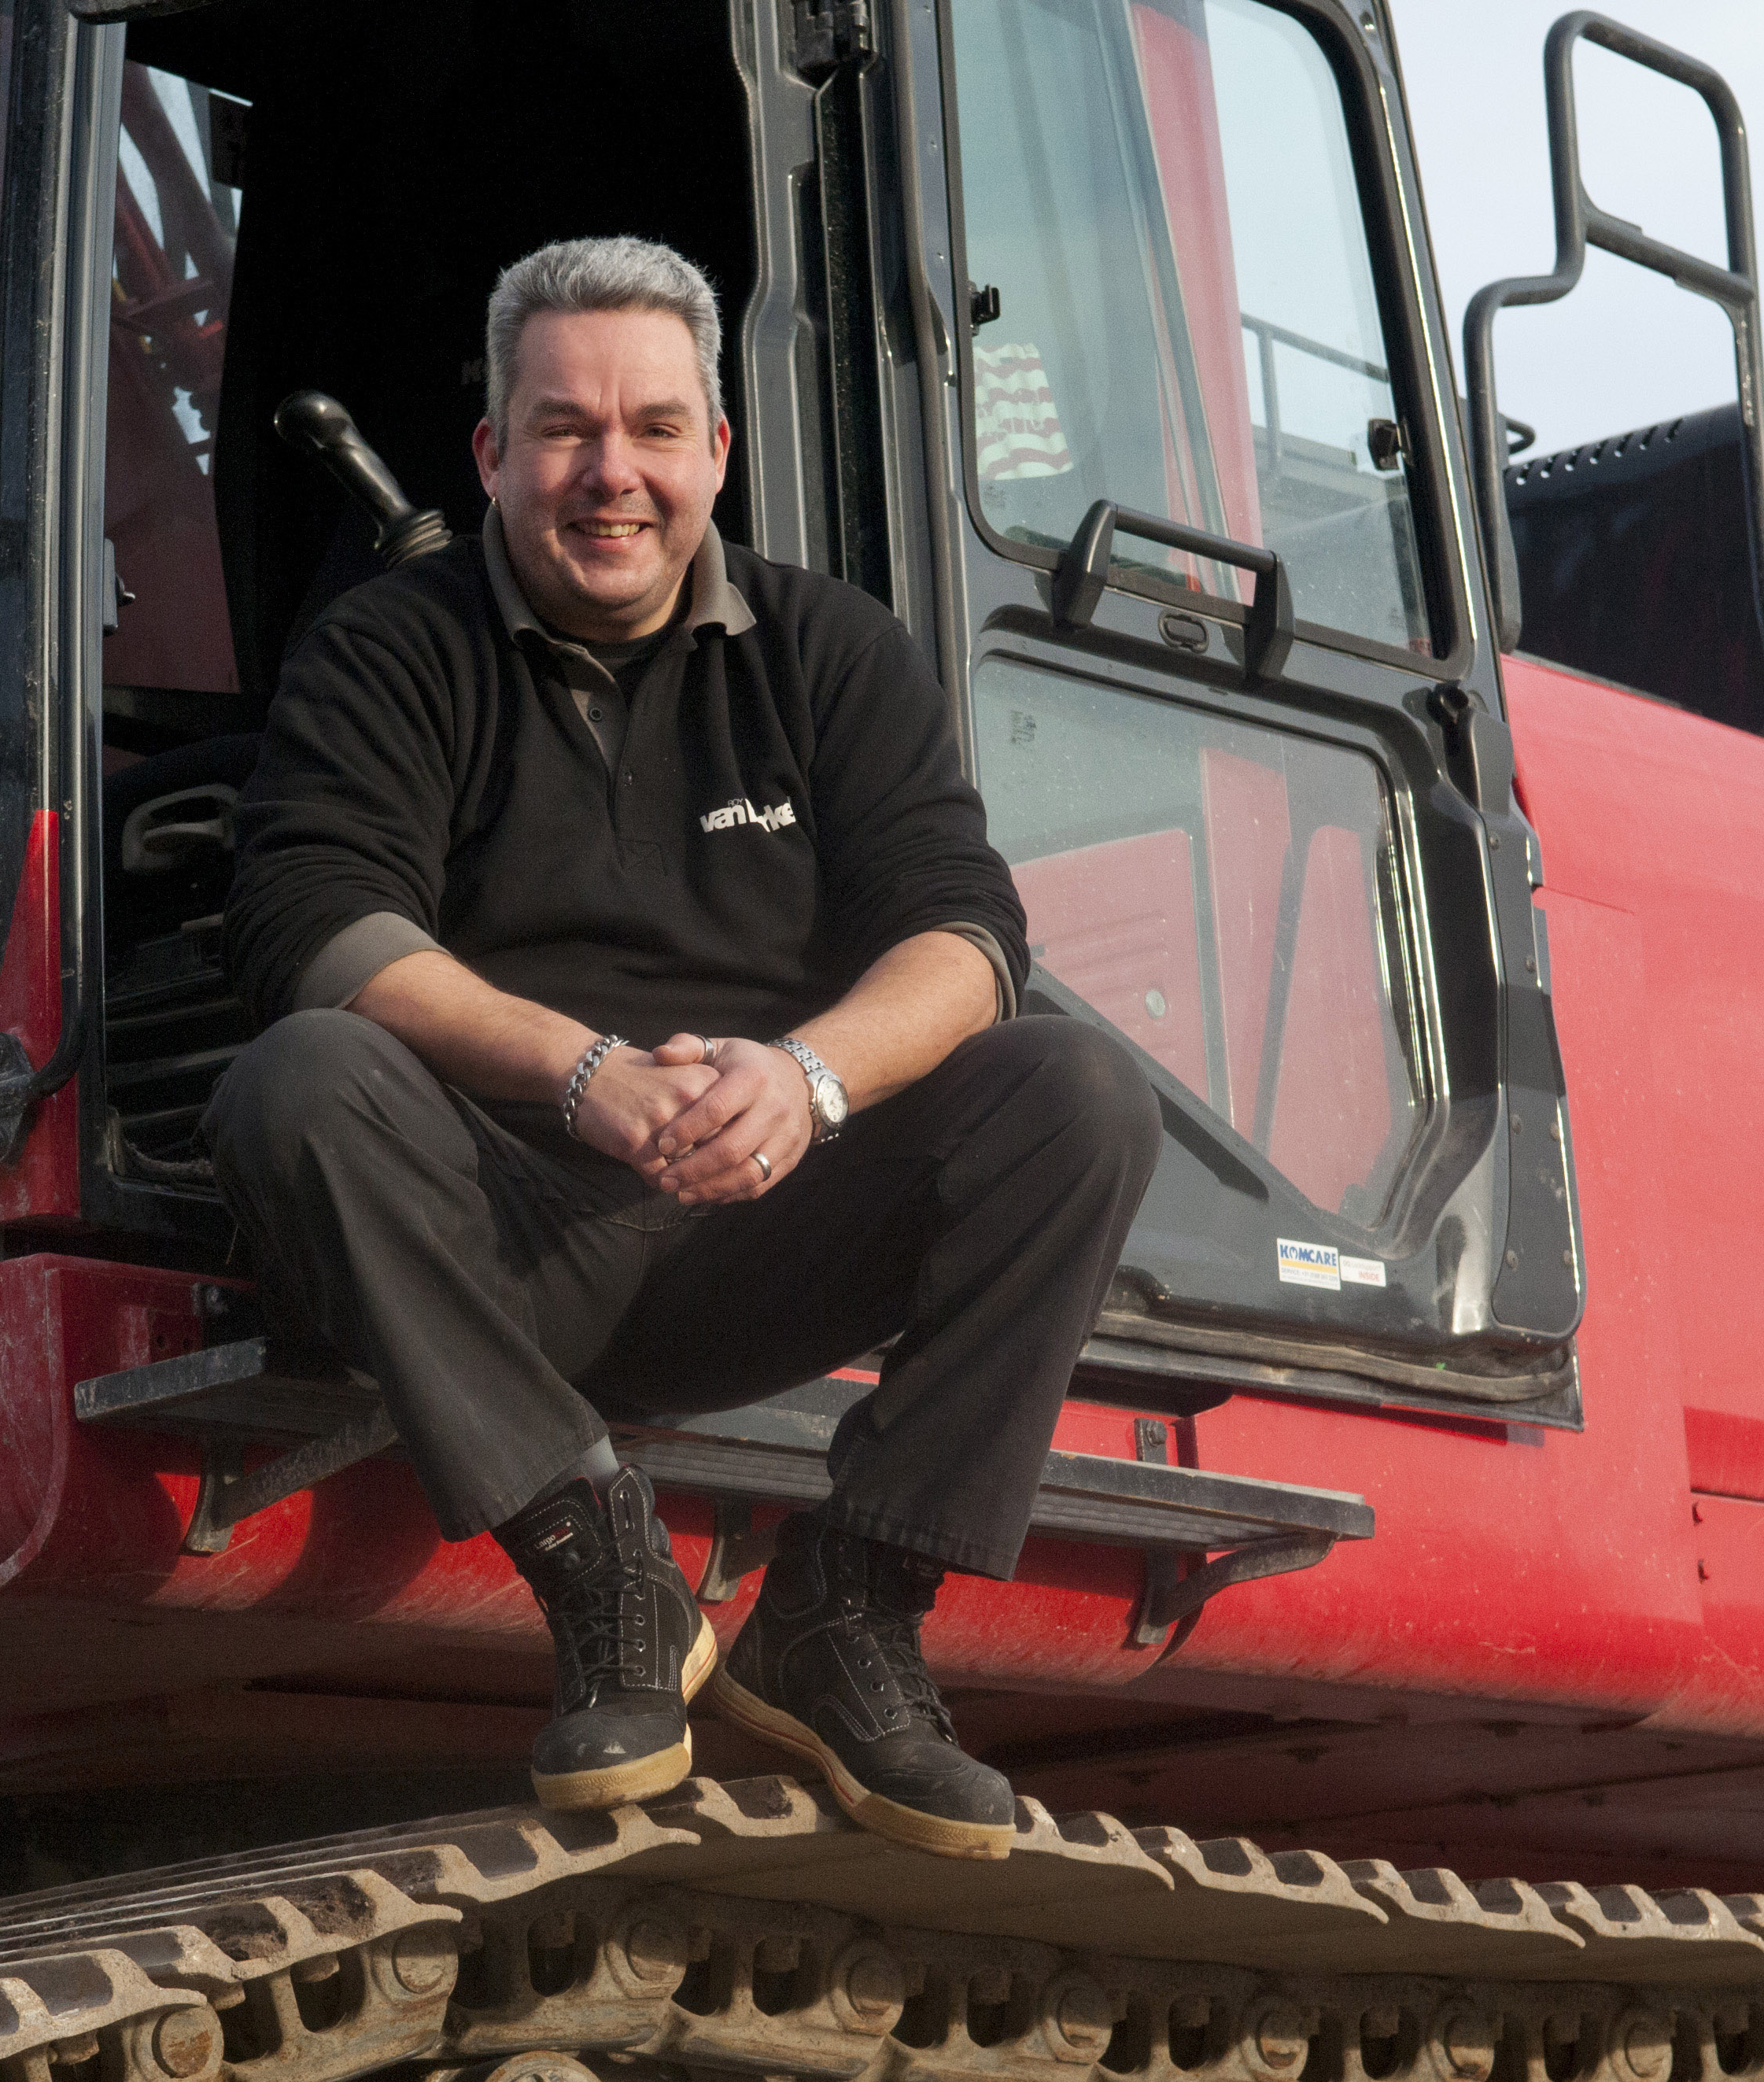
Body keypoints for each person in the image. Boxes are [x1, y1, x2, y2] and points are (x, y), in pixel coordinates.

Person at [208, 237, 1157, 1861]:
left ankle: (847, 1609)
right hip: (493, 1234)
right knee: (292, 1080)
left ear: (715, 449)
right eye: (563, 428)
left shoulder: (832, 650)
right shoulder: (387, 649)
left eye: (653, 427)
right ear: (490, 453)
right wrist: (580, 1069)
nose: (610, 474)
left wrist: (808, 1078)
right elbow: (319, 925)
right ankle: (604, 1569)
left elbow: (962, 931)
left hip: (759, 1223)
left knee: (1077, 1089)